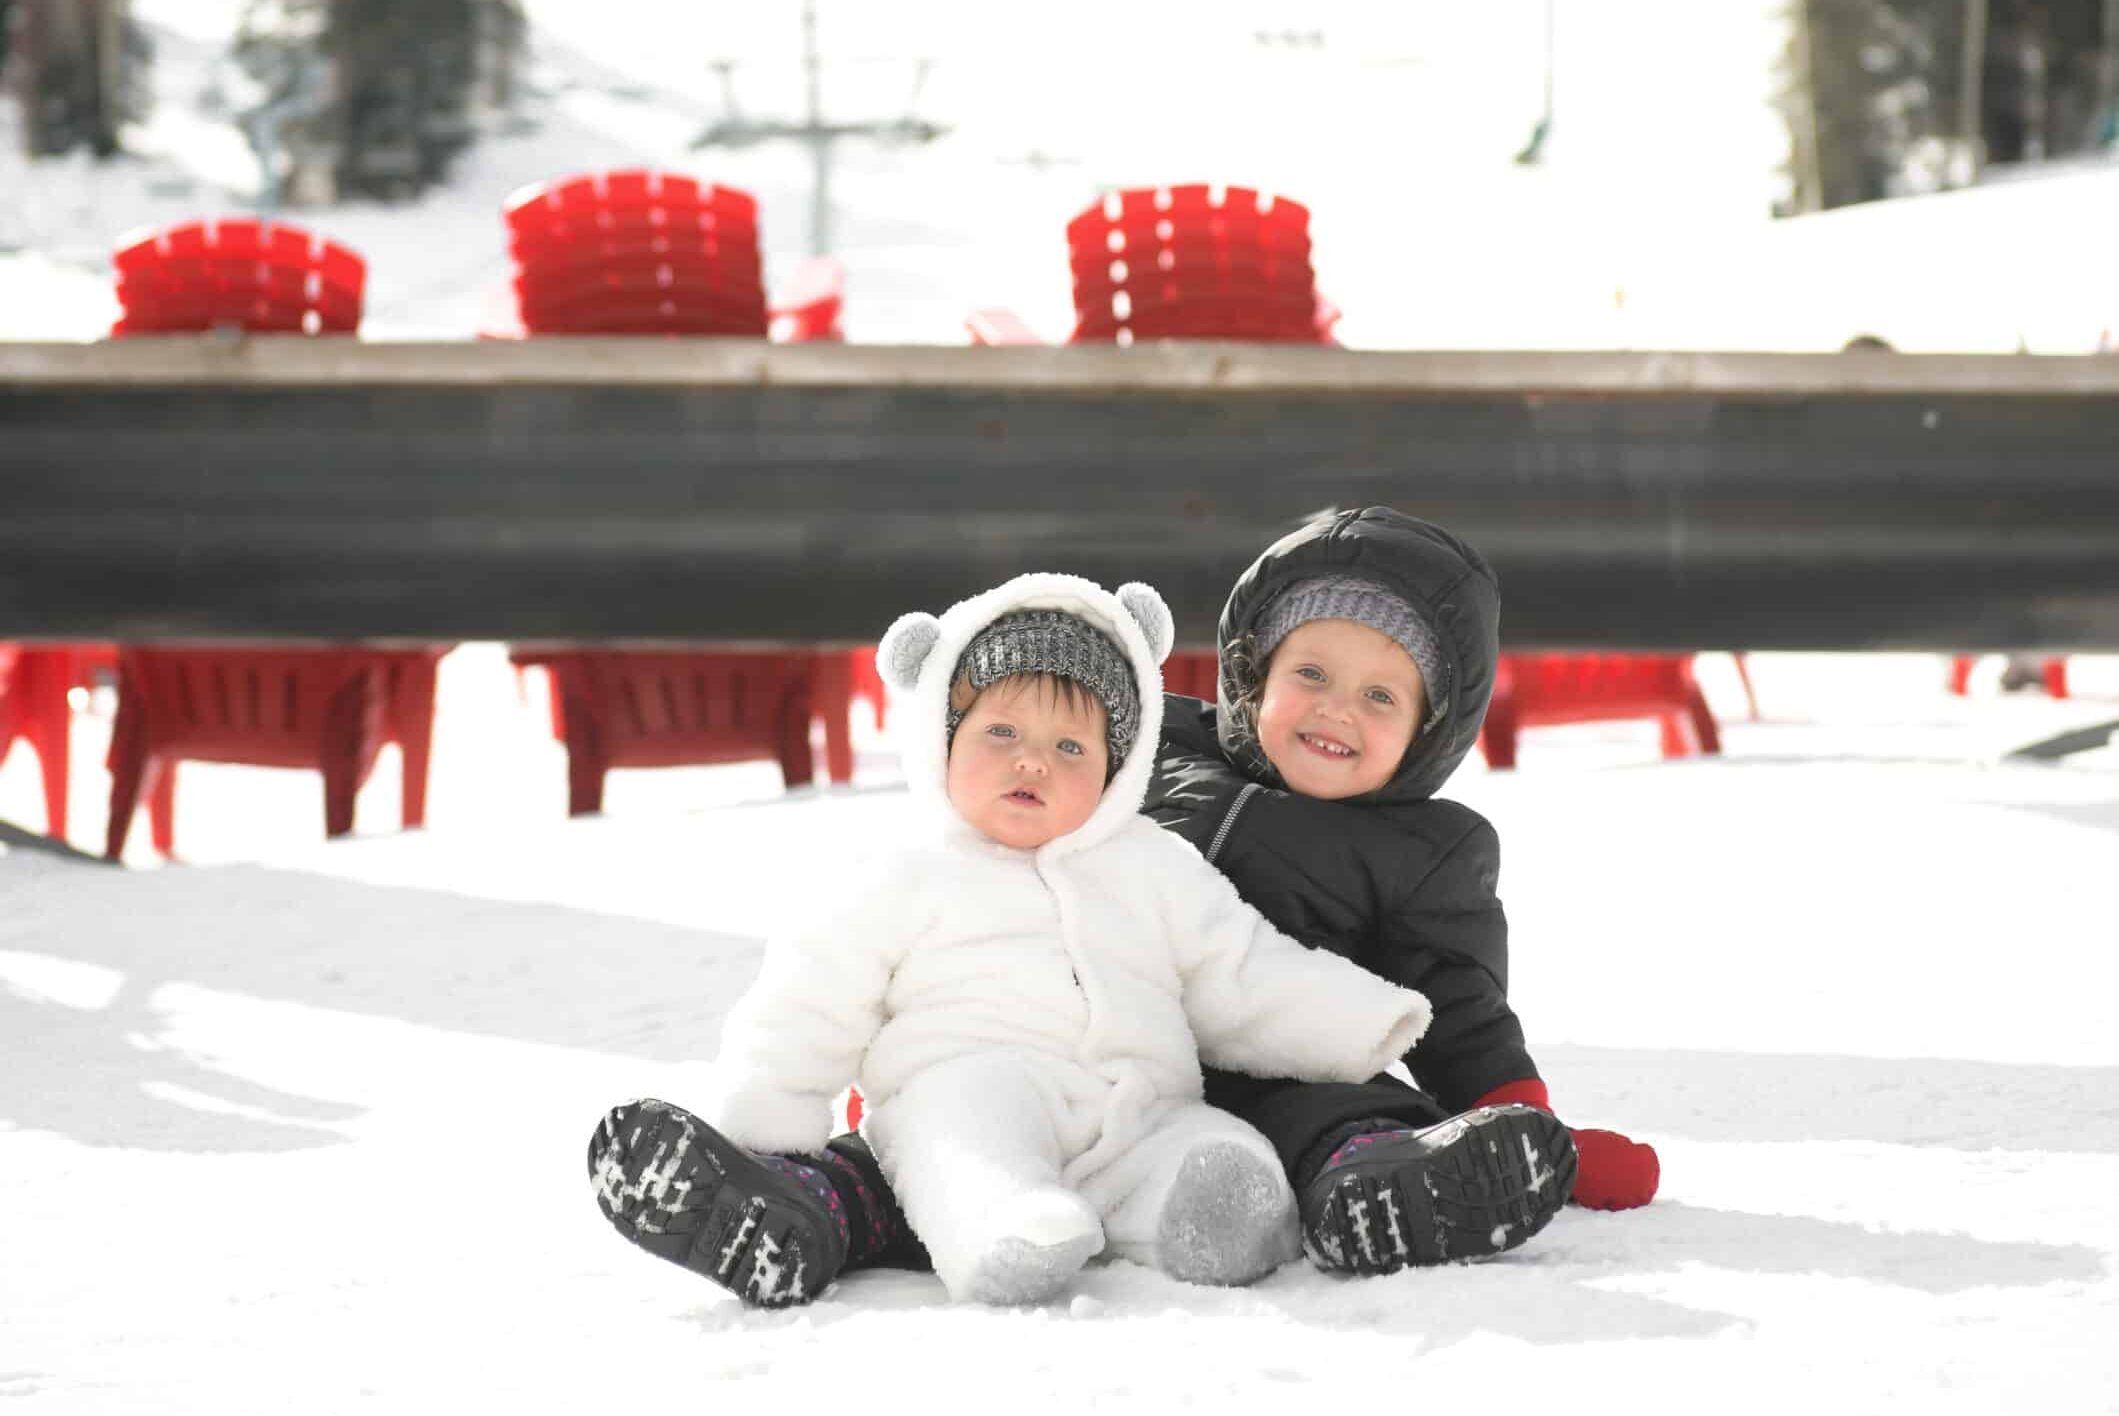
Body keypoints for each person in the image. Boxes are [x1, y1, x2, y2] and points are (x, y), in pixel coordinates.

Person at [588, 572, 1565, 1307]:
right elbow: (809, 999)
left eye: (1069, 748)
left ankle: (1209, 1217)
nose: (1033, 764)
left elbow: (1237, 969)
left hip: (1139, 1108)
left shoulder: (1149, 862)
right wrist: (772, 1111)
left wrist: (1365, 1022)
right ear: (941, 742)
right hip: (966, 1089)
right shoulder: (899, 873)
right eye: (1001, 735)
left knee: (1215, 1150)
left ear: (1117, 764)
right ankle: (833, 1208)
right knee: (958, 1148)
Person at [1142, 507, 1660, 1278]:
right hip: (1098, 1027)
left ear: (1427, 730)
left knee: (1337, 1107)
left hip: (1273, 1066)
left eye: (1381, 697)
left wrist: (1530, 1121)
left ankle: (1380, 1183)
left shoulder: (1423, 851)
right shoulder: (1159, 741)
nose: (1336, 708)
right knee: (987, 1087)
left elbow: (1460, 1008)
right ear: (1255, 676)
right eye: (1310, 673)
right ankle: (905, 1193)